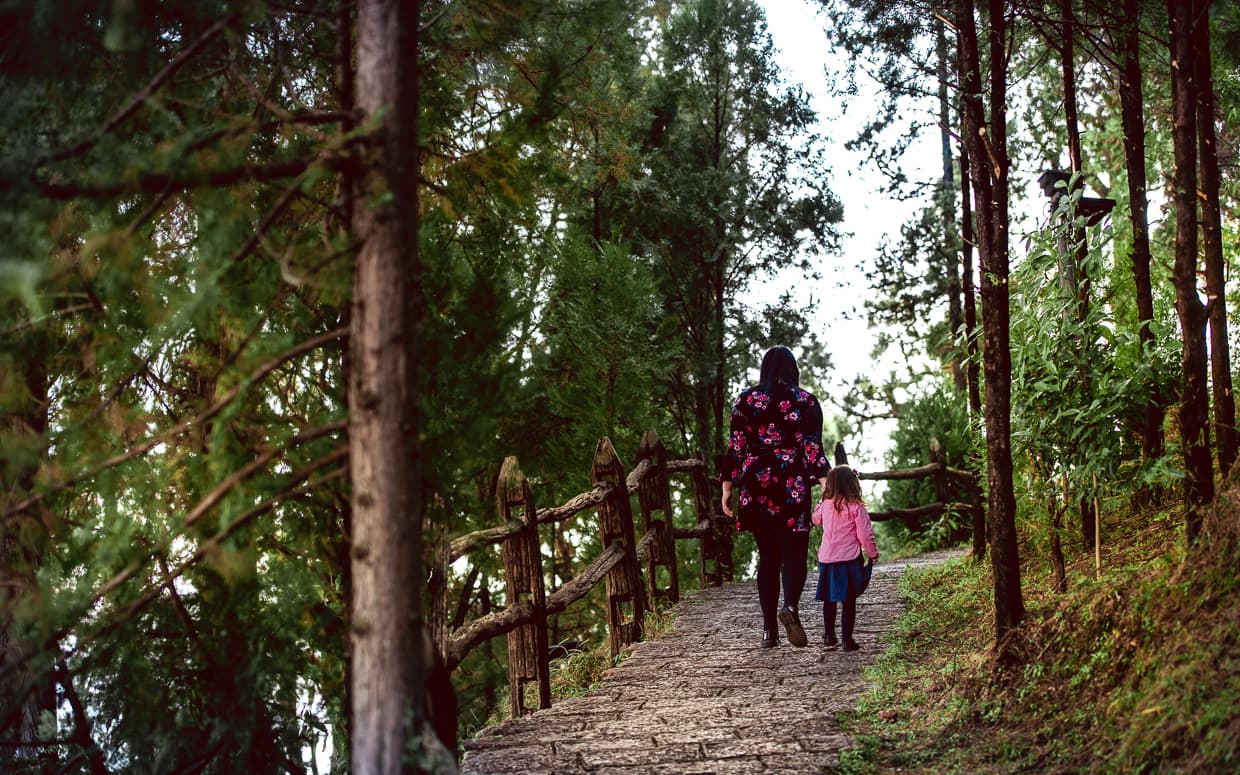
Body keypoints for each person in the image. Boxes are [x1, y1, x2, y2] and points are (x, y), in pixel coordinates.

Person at [721, 346, 830, 648]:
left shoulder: (745, 401)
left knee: (767, 557)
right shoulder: (805, 401)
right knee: (794, 553)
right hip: (791, 483)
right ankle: (790, 607)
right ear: (793, 369)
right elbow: (812, 446)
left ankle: (769, 630)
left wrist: (727, 487)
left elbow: (736, 446)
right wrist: (824, 481)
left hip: (756, 486)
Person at [812, 464, 878, 651]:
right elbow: (865, 534)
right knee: (848, 601)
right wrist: (872, 554)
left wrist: (822, 498)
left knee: (829, 599)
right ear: (852, 483)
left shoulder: (825, 505)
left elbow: (815, 519)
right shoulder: (855, 507)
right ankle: (847, 640)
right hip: (848, 559)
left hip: (827, 559)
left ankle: (828, 635)